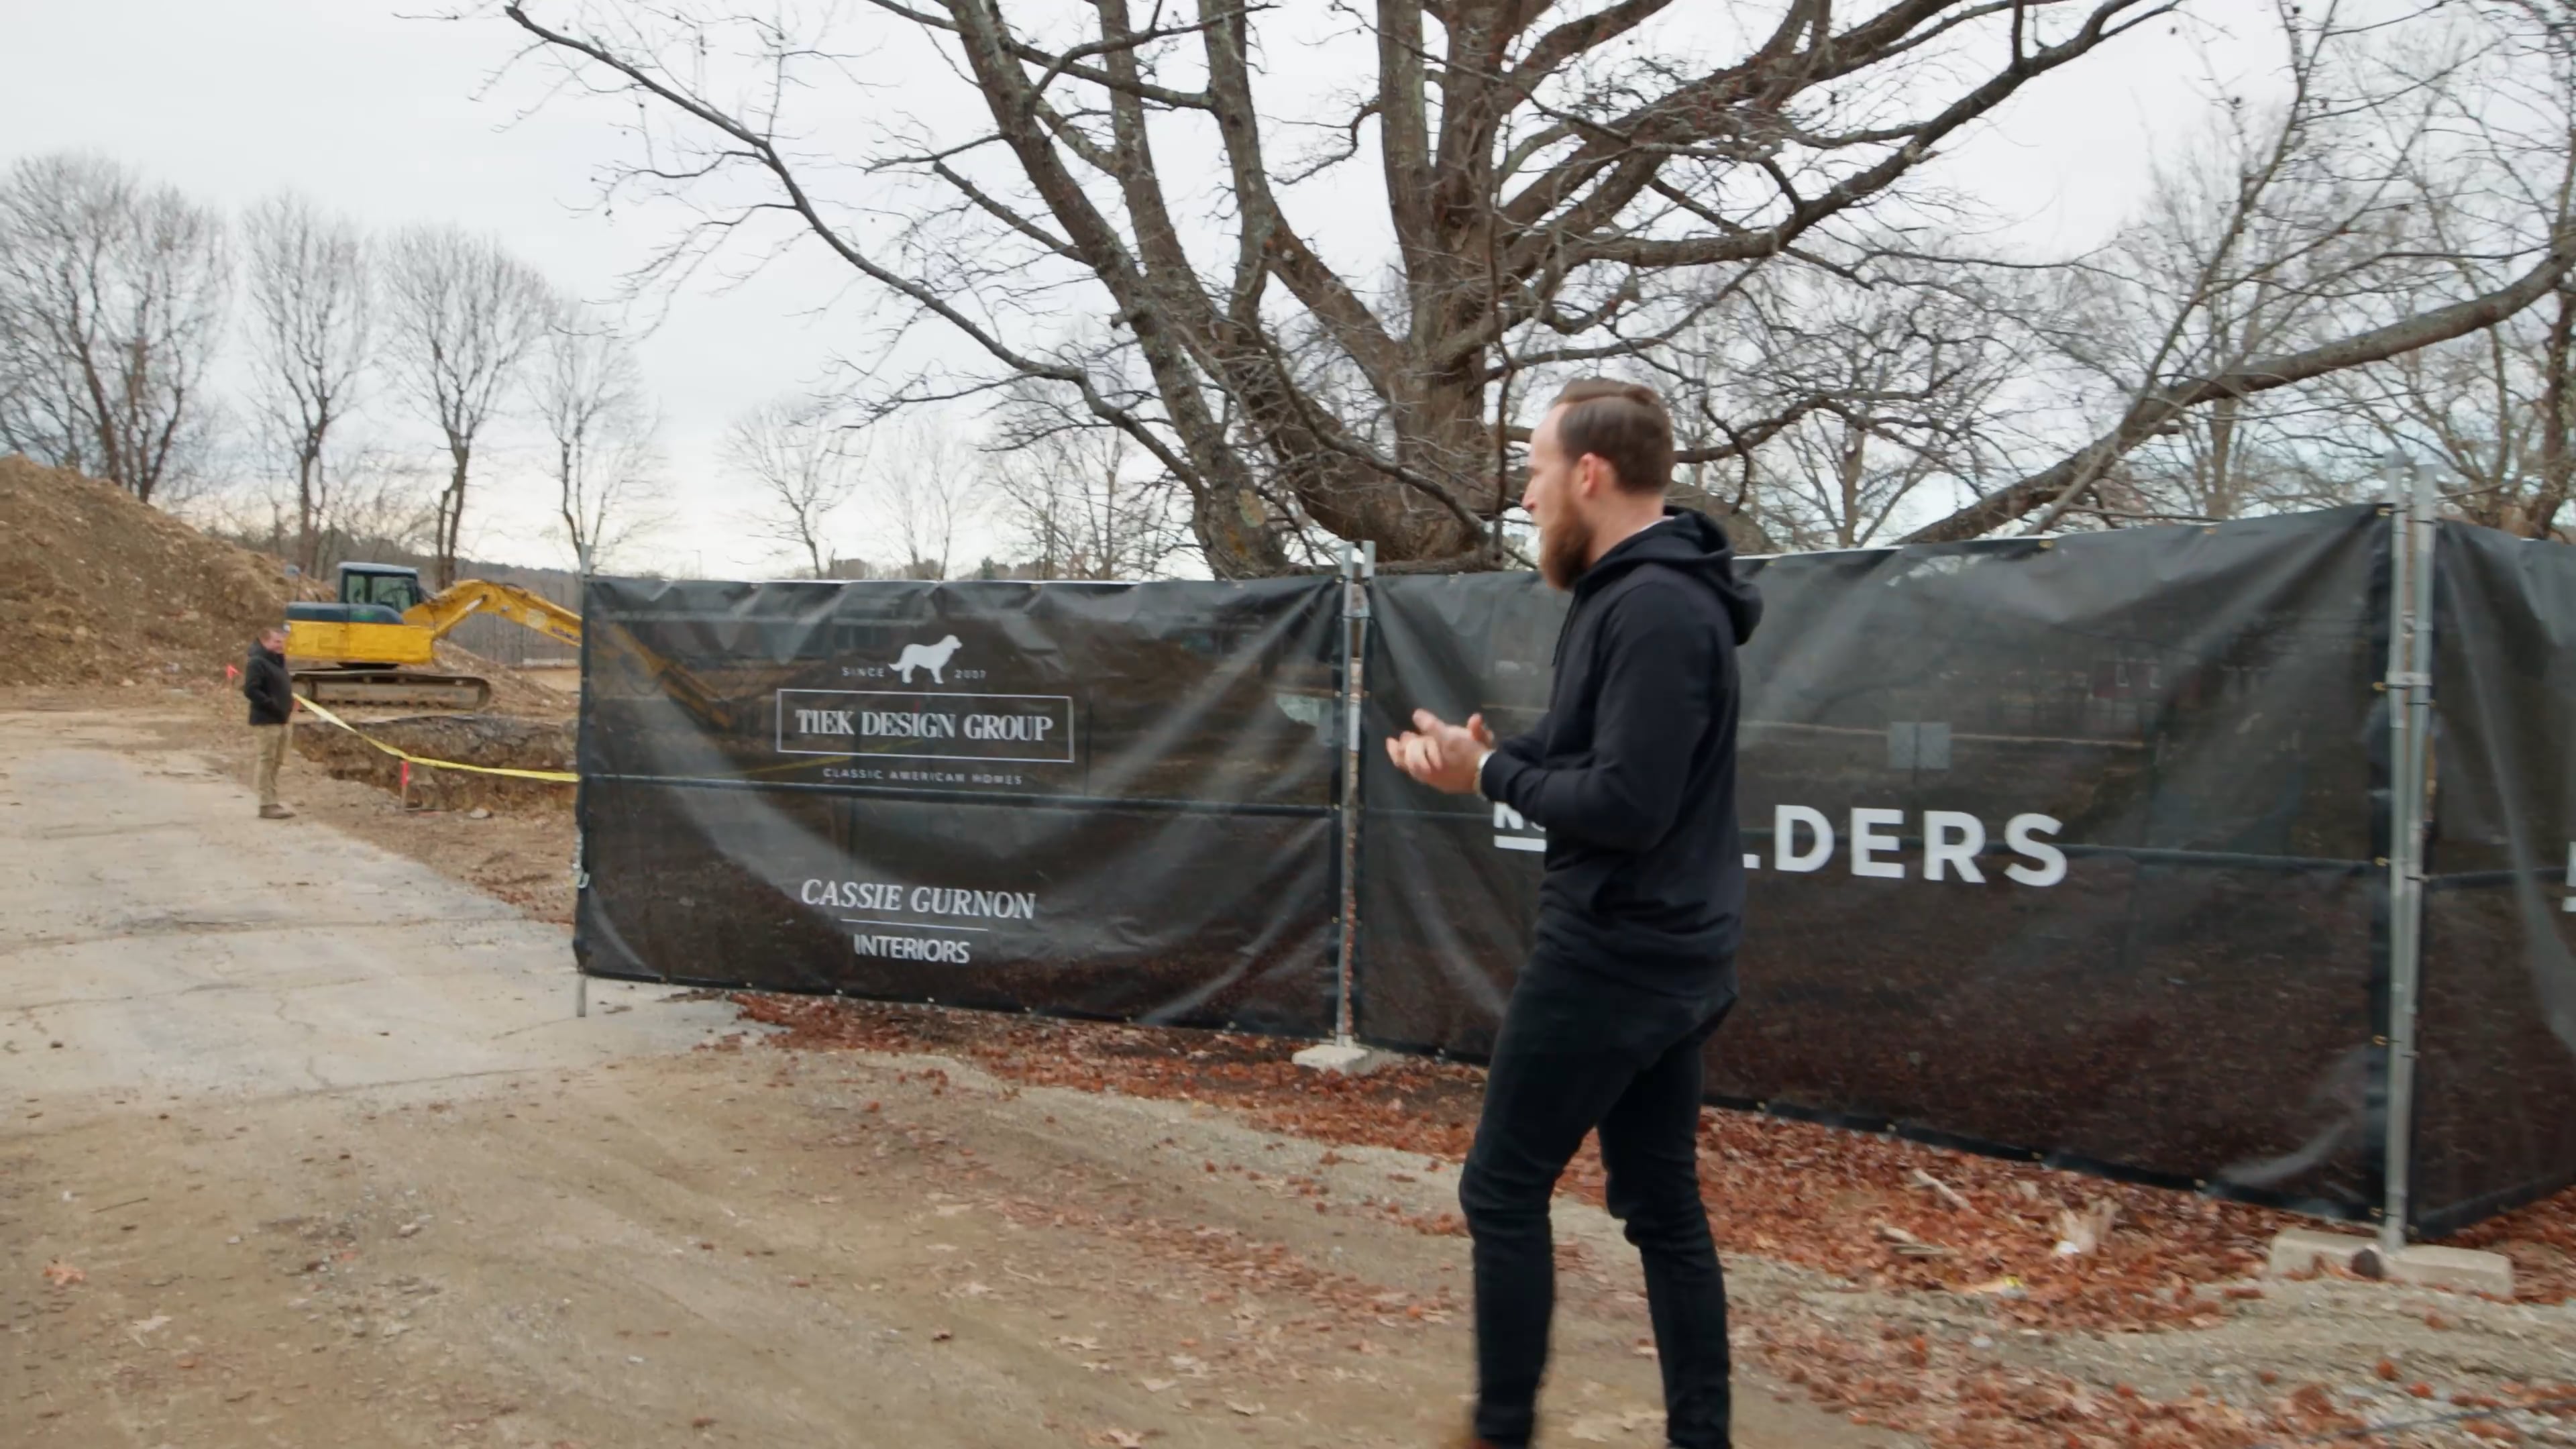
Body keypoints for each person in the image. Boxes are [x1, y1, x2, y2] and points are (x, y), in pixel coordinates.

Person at [1387, 378, 1760, 1449]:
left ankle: (1501, 1431)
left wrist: (1491, 775)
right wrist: (1483, 755)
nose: (1528, 495)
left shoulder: (1655, 608)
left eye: (1538, 471)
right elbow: (1583, 742)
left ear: (1589, 474)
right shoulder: (1634, 593)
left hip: (1618, 955)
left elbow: (1629, 806)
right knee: (1660, 1204)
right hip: (1669, 951)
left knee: (1501, 1189)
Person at [243, 625, 298, 820]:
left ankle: (273, 800)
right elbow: (251, 690)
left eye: (282, 641)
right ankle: (266, 804)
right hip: (267, 721)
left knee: (277, 761)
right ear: (265, 641)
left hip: (281, 720)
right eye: (276, 641)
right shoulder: (257, 662)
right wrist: (272, 705)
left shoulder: (277, 661)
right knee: (267, 761)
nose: (281, 645)